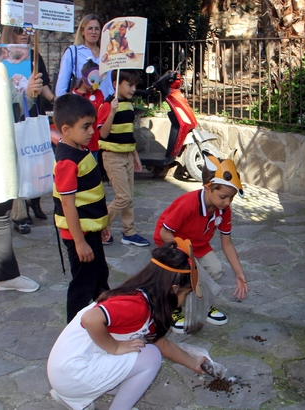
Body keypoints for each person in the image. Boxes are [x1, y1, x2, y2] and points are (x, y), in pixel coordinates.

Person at [47, 241, 207, 410]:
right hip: (72, 374)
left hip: (66, 371)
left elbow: (161, 343)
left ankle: (71, 396)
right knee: (150, 357)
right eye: (186, 294)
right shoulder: (137, 306)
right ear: (174, 289)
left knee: (140, 348)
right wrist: (115, 347)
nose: (184, 301)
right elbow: (90, 319)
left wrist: (194, 363)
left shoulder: (142, 297)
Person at [154, 153, 248, 332]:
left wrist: (239, 272)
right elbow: (164, 232)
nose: (227, 202)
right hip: (171, 243)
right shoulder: (188, 204)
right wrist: (188, 257)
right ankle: (171, 308)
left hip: (198, 244)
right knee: (185, 274)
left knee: (215, 269)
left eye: (231, 198)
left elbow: (227, 243)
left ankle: (201, 304)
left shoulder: (223, 209)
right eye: (223, 196)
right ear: (208, 187)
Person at [53, 93, 111, 322]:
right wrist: (79, 241)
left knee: (99, 276)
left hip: (90, 230)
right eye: (86, 127)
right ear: (66, 130)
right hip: (79, 234)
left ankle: (106, 317)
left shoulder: (81, 149)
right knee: (83, 285)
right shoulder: (68, 161)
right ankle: (72, 333)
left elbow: (91, 195)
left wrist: (101, 226)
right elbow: (68, 205)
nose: (91, 131)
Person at [0, 54, 40, 292]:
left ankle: (4, 276)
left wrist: (30, 93)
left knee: (0, 213)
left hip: (0, 153)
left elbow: (16, 102)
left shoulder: (0, 69)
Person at [1, 25, 53, 226]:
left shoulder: (33, 55)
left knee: (32, 159)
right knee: (15, 163)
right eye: (19, 30)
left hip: (29, 109)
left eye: (27, 31)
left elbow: (43, 83)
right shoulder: (0, 58)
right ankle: (19, 213)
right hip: (8, 113)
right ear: (9, 33)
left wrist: (52, 98)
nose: (24, 34)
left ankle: (33, 202)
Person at [96, 69, 150, 247]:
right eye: (129, 84)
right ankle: (99, 228)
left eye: (135, 85)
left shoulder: (128, 105)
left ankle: (129, 232)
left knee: (129, 197)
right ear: (115, 84)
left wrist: (135, 156)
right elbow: (102, 134)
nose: (133, 89)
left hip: (126, 155)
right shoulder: (107, 105)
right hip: (112, 156)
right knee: (123, 197)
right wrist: (111, 112)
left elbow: (128, 134)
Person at [55, 14, 114, 98]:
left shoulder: (106, 53)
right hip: (80, 103)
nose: (93, 32)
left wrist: (110, 100)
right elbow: (62, 81)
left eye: (96, 29)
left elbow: (109, 82)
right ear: (82, 31)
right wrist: (62, 104)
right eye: (90, 28)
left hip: (102, 102)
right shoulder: (73, 51)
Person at [73, 59, 104, 161]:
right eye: (92, 81)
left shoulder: (99, 94)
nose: (94, 86)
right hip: (78, 142)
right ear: (83, 78)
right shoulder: (73, 96)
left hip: (94, 141)